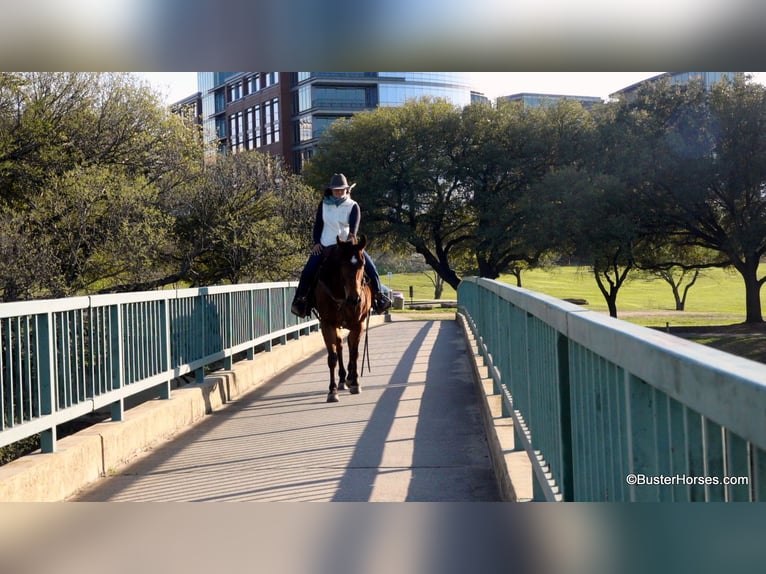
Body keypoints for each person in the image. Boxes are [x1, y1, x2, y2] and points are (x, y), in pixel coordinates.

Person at [290, 173, 392, 318]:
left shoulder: (352, 205)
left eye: (341, 189)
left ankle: (379, 297)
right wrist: (316, 242)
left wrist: (352, 235)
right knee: (308, 270)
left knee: (370, 266)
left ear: (346, 190)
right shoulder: (324, 204)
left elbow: (354, 223)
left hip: (347, 246)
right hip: (325, 244)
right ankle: (301, 301)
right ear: (331, 190)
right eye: (336, 189)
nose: (339, 192)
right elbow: (318, 224)